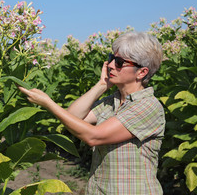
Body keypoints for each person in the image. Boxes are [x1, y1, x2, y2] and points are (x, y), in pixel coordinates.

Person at [18, 31, 165, 194]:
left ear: (142, 72)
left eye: (119, 62)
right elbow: (72, 117)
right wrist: (102, 85)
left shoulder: (147, 106)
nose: (110, 65)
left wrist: (48, 103)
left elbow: (94, 136)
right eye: (111, 58)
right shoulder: (112, 101)